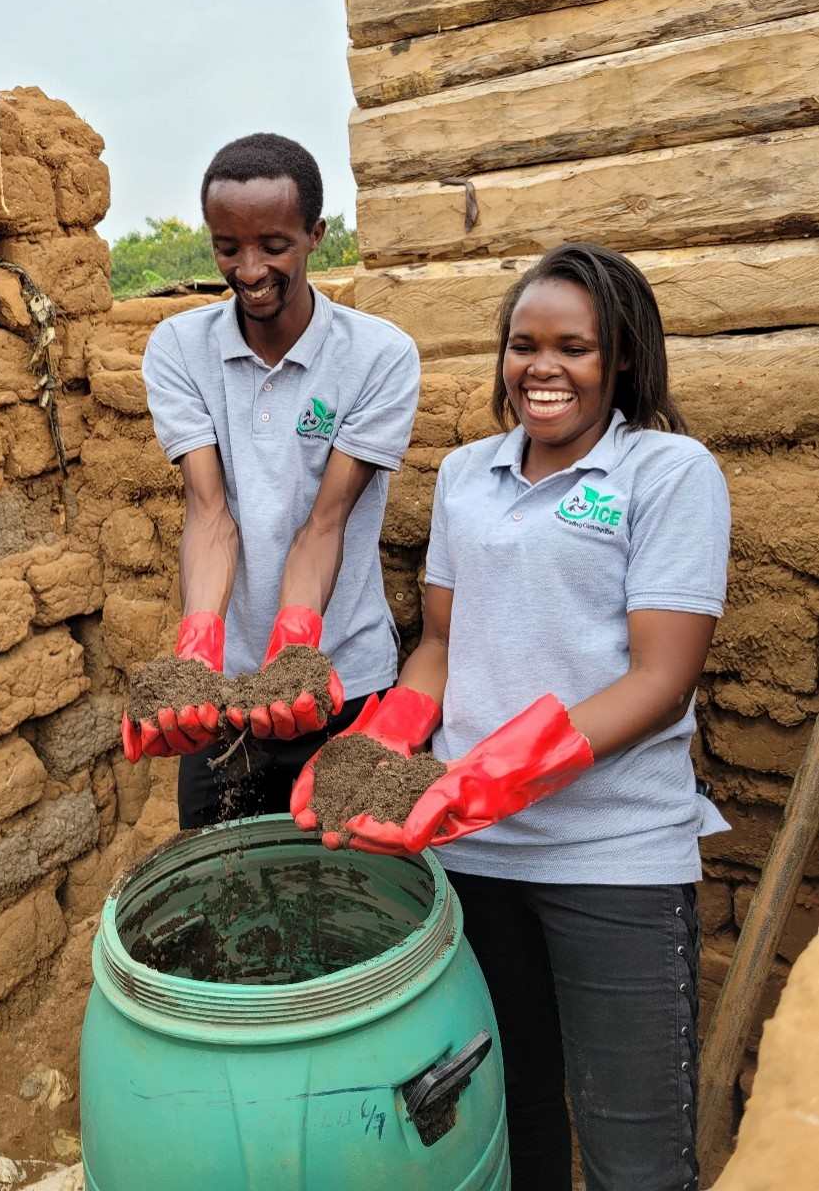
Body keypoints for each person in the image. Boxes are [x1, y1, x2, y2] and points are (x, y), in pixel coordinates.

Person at [293, 242, 731, 1191]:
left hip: (611, 857)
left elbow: (661, 679)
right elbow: (443, 646)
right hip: (473, 859)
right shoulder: (466, 475)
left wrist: (484, 775)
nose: (542, 368)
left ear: (618, 357)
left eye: (572, 347)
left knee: (635, 1150)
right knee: (510, 1109)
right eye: (523, 344)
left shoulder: (667, 473)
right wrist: (382, 740)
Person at [124, 131, 421, 829]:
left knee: (341, 888)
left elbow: (326, 523)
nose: (249, 268)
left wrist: (294, 656)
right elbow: (210, 514)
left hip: (342, 680)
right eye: (227, 247)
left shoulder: (378, 356)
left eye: (273, 245)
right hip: (221, 694)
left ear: (315, 234)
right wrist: (198, 648)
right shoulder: (179, 350)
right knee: (218, 878)